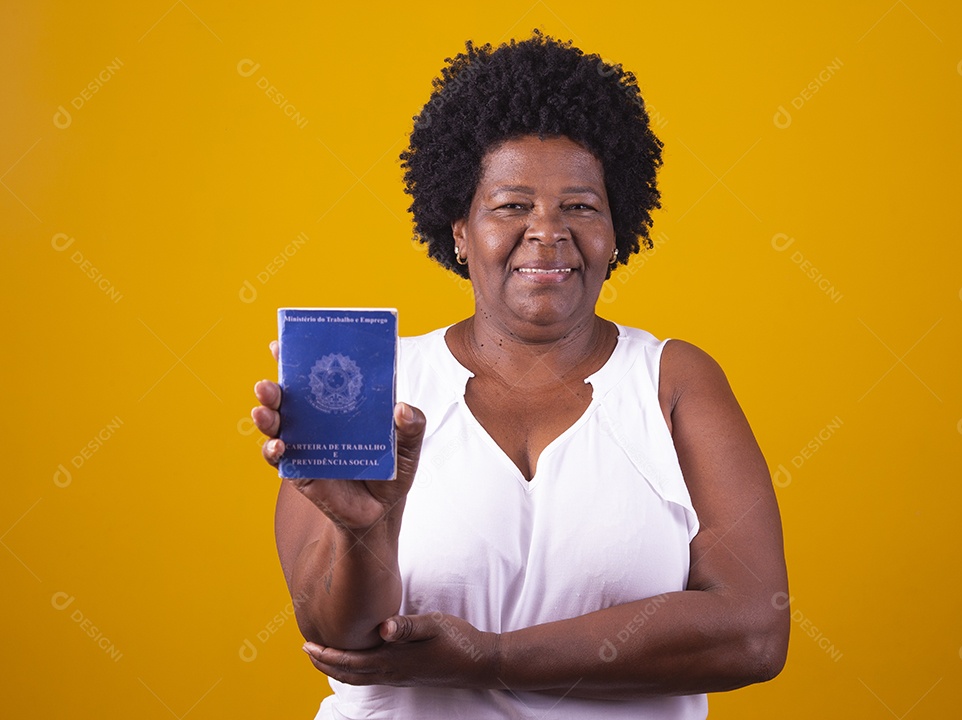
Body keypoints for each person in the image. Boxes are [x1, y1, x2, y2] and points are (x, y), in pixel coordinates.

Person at [251, 32, 789, 719]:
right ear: (460, 230)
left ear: (616, 229)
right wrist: (366, 532)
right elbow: (337, 639)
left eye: (580, 206)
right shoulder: (374, 382)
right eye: (511, 206)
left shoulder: (674, 381)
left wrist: (495, 656)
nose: (547, 231)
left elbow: (754, 632)